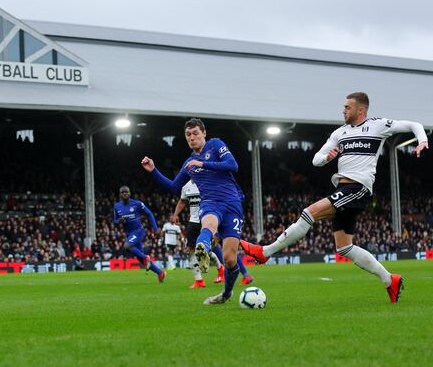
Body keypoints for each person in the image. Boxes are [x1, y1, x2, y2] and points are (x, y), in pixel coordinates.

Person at [240, 92, 428, 303]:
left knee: (309, 212)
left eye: (348, 107)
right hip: (343, 188)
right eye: (344, 106)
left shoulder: (378, 125)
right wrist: (327, 158)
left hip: (358, 188)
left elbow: (414, 124)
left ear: (361, 109)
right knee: (345, 247)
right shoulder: (340, 133)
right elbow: (315, 160)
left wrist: (421, 140)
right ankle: (390, 280)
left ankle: (265, 252)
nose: (343, 110)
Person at [142, 118, 246, 305]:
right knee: (208, 224)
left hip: (232, 203)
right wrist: (153, 170)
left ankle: (226, 294)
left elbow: (233, 165)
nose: (192, 137)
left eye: (195, 133)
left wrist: (202, 164)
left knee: (230, 260)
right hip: (210, 203)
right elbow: (175, 187)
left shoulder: (215, 145)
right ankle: (203, 250)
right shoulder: (189, 163)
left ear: (204, 133)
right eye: (188, 135)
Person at [112, 186, 165, 283]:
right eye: (122, 192)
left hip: (138, 231)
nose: (124, 194)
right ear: (120, 194)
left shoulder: (137, 204)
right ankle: (160, 272)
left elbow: (149, 214)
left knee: (127, 246)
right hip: (129, 234)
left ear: (129, 193)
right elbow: (114, 221)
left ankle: (146, 258)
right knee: (140, 259)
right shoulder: (116, 206)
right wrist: (119, 221)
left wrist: (155, 228)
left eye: (126, 192)